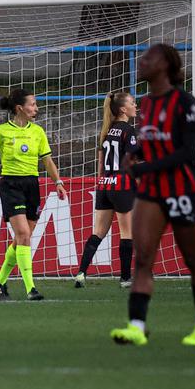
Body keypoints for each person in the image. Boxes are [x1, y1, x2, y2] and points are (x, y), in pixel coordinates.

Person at [111, 44, 195, 346]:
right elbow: (151, 139)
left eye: (148, 58)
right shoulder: (147, 102)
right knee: (143, 258)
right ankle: (137, 327)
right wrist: (136, 154)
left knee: (193, 258)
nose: (141, 62)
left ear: (166, 65)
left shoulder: (185, 102)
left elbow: (187, 152)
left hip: (182, 187)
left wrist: (143, 168)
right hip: (152, 190)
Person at [0, 88, 67, 301]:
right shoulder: (0, 131)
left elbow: (47, 160)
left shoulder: (37, 132)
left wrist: (58, 182)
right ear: (20, 108)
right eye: (33, 104)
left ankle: (0, 281)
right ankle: (31, 288)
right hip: (11, 185)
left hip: (32, 185)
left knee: (22, 239)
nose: (36, 108)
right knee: (24, 235)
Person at [74, 91, 139, 288]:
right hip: (122, 183)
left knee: (98, 232)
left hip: (105, 184)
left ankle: (81, 273)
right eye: (133, 103)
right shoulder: (129, 131)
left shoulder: (107, 131)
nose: (136, 106)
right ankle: (125, 278)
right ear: (122, 109)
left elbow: (101, 164)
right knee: (127, 232)